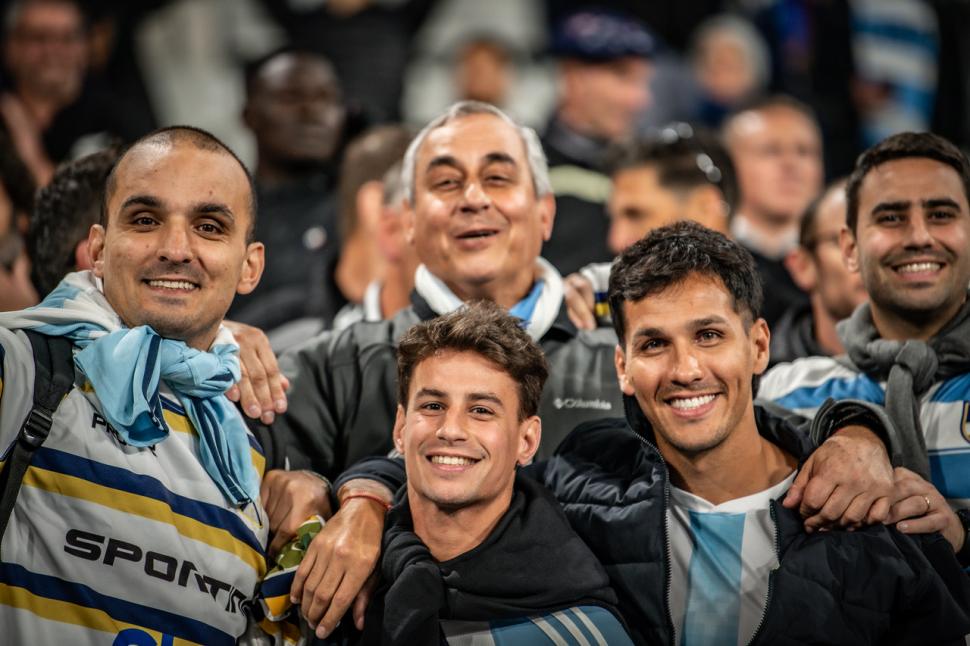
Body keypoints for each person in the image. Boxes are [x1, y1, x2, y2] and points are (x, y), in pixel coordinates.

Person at [536, 221, 970, 644]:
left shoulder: (867, 511)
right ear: (622, 367)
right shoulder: (576, 484)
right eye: (654, 344)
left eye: (708, 335)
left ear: (759, 347)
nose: (686, 370)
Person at [0, 126, 269, 643]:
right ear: (98, 250)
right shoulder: (26, 366)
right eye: (145, 220)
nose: (175, 248)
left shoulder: (248, 447)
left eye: (209, 227)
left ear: (249, 265)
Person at [355, 302, 632, 644]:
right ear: (400, 427)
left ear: (526, 441)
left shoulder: (582, 632)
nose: (450, 430)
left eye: (481, 410)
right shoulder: (335, 575)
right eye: (433, 406)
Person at [759, 131, 970, 563]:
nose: (919, 236)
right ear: (850, 249)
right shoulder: (783, 392)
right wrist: (854, 426)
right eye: (891, 217)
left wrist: (963, 535)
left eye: (941, 214)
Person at [230, 48, 348, 332]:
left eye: (325, 98)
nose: (312, 112)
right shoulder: (219, 212)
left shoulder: (356, 210)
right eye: (290, 98)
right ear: (250, 116)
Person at [541, 8, 655, 275]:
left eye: (643, 82)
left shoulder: (651, 168)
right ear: (573, 78)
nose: (640, 99)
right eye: (623, 76)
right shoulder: (523, 166)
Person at [1, 0, 142, 184]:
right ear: (11, 47)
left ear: (85, 48)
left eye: (67, 38)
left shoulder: (115, 121)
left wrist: (31, 155)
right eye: (39, 38)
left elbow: (90, 210)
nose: (53, 51)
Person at [722, 95, 824, 328]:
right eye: (770, 151)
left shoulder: (843, 261)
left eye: (804, 151)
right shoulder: (705, 261)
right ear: (729, 166)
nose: (791, 164)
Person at [770, 179, 867, 366]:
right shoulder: (766, 384)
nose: (866, 258)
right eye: (845, 243)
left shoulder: (934, 372)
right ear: (803, 266)